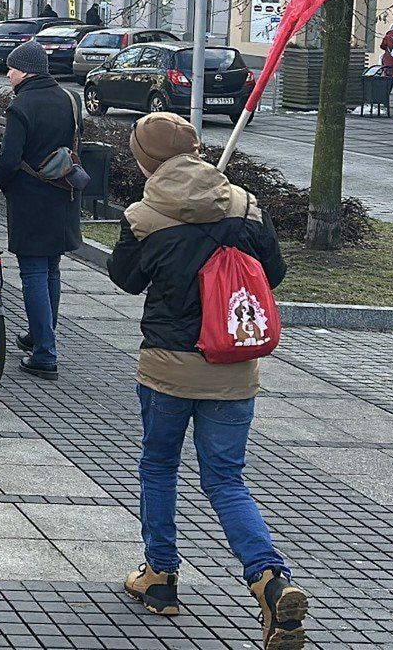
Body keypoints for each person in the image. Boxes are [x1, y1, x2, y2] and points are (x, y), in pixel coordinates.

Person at [106, 113, 305, 649]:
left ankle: (162, 577)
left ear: (145, 159)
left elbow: (125, 280)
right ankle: (267, 577)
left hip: (168, 369)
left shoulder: (144, 215)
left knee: (159, 467)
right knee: (225, 479)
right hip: (234, 368)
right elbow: (276, 272)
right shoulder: (243, 205)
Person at [0, 39, 83, 380]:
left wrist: (6, 186)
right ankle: (39, 335)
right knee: (51, 270)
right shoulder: (69, 99)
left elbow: (8, 161)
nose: (9, 73)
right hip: (64, 195)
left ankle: (45, 353)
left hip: (30, 198)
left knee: (32, 272)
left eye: (13, 68)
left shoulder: (22, 106)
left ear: (27, 71)